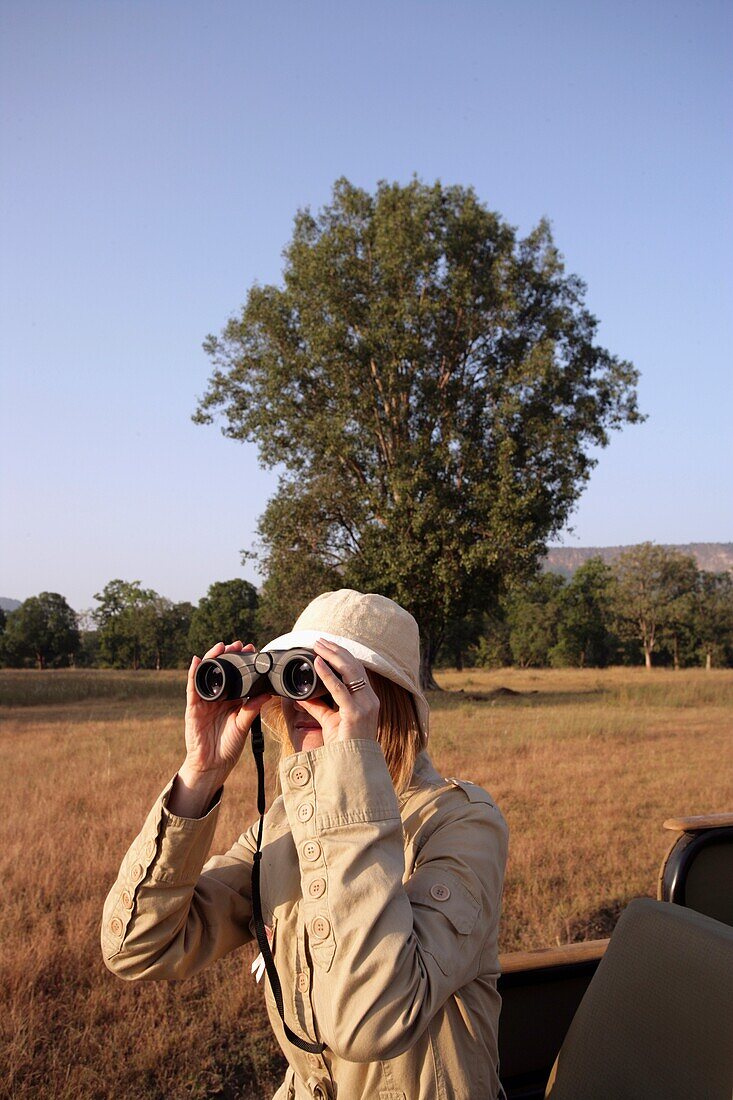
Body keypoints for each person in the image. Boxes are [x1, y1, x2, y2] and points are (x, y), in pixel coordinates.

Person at [102, 589, 510, 1099]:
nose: (301, 699)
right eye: (293, 676)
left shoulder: (461, 822)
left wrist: (351, 770)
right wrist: (201, 773)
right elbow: (137, 948)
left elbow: (372, 1020)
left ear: (387, 698)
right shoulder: (285, 824)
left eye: (328, 677)